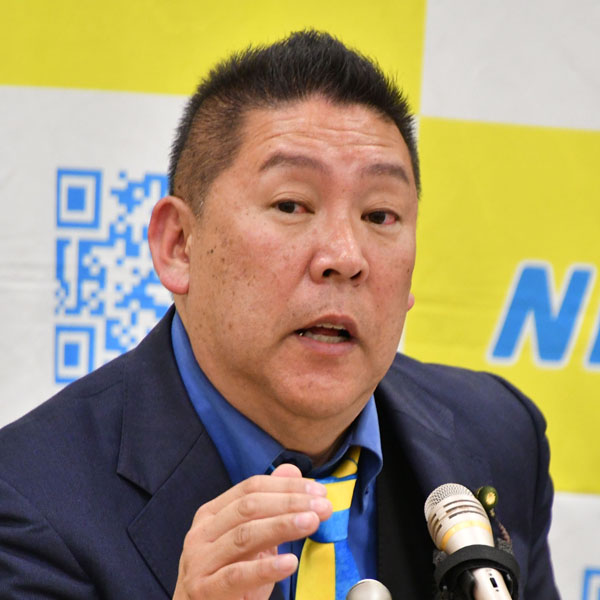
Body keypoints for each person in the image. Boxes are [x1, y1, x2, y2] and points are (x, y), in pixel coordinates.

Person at [0, 31, 559, 599]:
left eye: (379, 215)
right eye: (291, 205)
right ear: (179, 245)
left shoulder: (498, 435)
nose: (345, 257)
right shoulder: (29, 501)